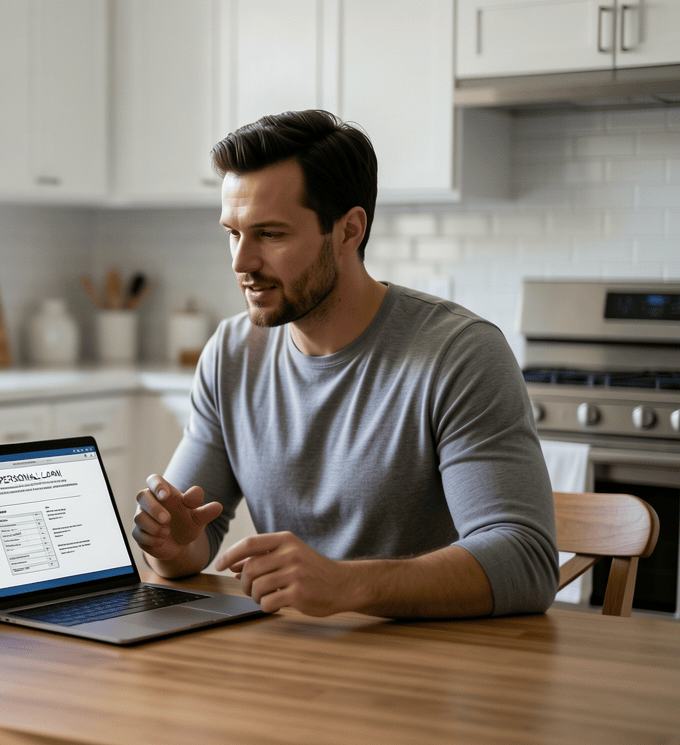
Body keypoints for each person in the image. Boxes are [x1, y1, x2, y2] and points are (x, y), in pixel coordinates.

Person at [134, 110, 558, 618]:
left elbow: (527, 562)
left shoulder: (459, 354)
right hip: (300, 661)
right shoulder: (230, 354)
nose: (241, 263)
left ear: (348, 231)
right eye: (233, 232)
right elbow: (191, 544)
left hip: (436, 670)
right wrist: (173, 547)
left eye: (269, 234)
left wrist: (346, 585)